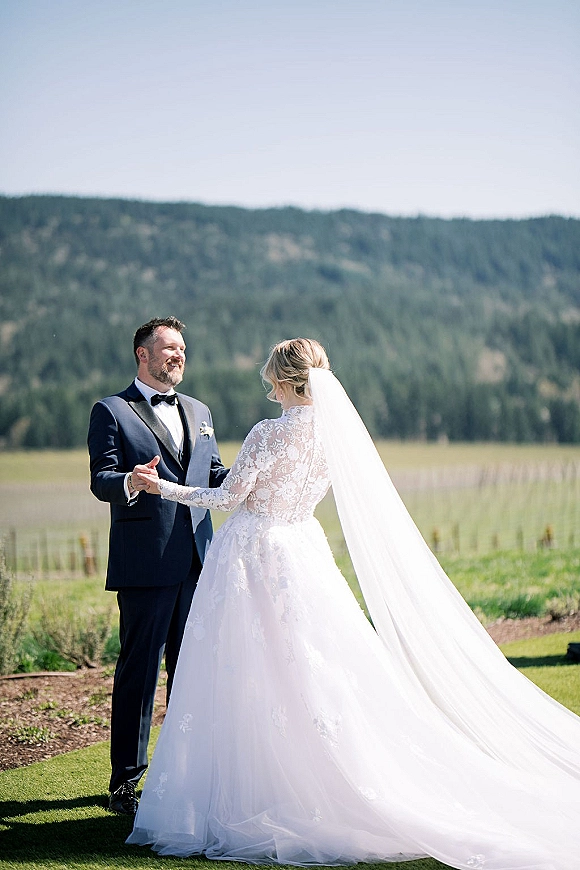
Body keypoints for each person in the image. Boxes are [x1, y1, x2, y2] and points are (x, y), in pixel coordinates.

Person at [127, 338, 580, 869]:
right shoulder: (331, 437)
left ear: (284, 379)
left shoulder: (267, 432)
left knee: (250, 670)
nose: (266, 380)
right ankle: (312, 779)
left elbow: (227, 499)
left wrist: (162, 488)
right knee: (313, 668)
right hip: (301, 550)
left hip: (252, 554)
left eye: (271, 373)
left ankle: (257, 792)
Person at [87, 316, 228, 815]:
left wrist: (259, 471)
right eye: (169, 348)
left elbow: (213, 473)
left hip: (198, 560)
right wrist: (130, 477)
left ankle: (186, 775)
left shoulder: (200, 409)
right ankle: (125, 781)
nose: (179, 356)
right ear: (142, 354)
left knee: (192, 671)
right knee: (139, 673)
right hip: (145, 561)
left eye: (183, 349)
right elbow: (101, 479)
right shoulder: (112, 410)